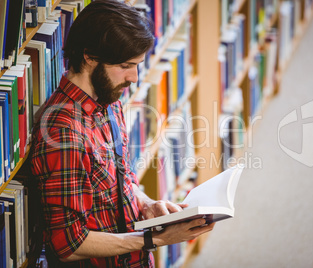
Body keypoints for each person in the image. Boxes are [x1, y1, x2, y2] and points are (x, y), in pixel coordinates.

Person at [30, 0, 214, 267]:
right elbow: (69, 244)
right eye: (126, 65)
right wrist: (154, 240)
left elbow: (119, 179)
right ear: (89, 56)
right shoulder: (63, 134)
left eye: (137, 65)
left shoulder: (108, 99)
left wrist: (146, 203)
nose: (134, 77)